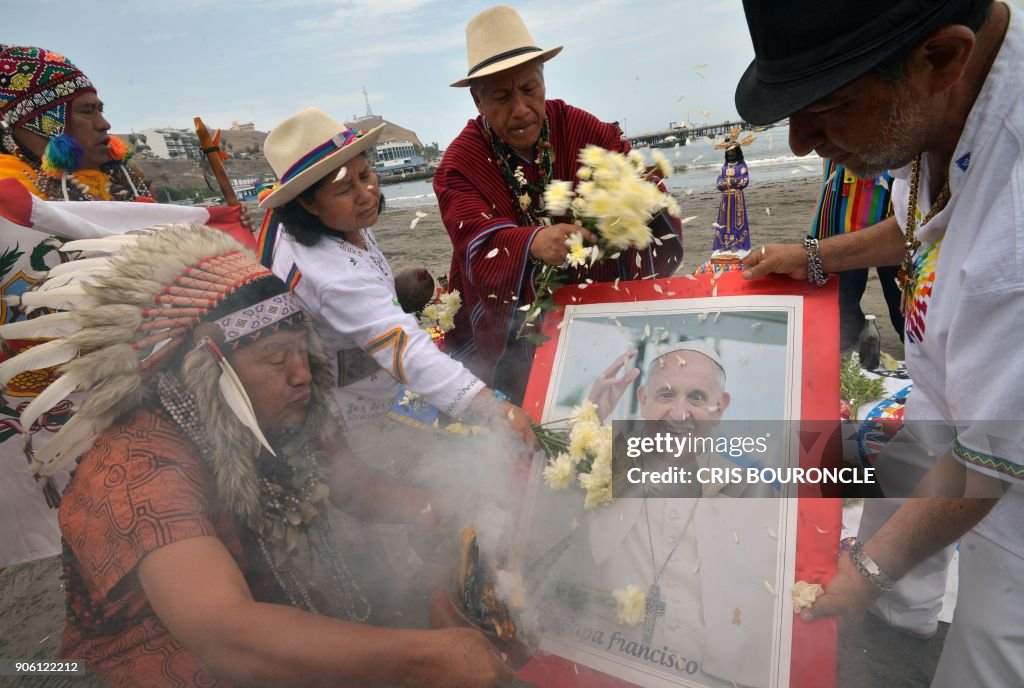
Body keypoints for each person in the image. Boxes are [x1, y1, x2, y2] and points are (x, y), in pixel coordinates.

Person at [2, 223, 513, 687]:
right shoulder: (134, 470)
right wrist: (424, 658)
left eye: (303, 351)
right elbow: (228, 635)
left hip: (279, 615)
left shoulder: (284, 407)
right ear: (205, 371)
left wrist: (424, 508)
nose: (302, 375)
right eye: (275, 358)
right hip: (158, 661)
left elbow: (349, 479)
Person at [736, 1, 1023, 685]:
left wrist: (865, 575)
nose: (801, 141)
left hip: (1004, 448)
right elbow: (922, 225)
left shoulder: (1015, 230)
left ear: (941, 59)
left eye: (827, 105)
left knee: (991, 643)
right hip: (956, 393)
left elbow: (986, 463)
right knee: (901, 476)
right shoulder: (937, 106)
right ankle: (904, 626)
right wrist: (812, 256)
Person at [434, 6, 684, 403]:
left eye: (529, 90)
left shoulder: (578, 126)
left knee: (600, 400)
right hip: (514, 331)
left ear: (544, 81)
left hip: (593, 307)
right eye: (501, 96)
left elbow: (638, 177)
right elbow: (472, 235)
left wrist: (638, 202)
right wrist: (530, 243)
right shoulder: (459, 164)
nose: (520, 108)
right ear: (477, 100)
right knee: (523, 410)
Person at [258, 107, 535, 450]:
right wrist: (493, 410)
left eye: (365, 174)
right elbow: (403, 346)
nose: (366, 193)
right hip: (352, 416)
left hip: (380, 383)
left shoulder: (340, 223)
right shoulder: (332, 276)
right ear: (309, 204)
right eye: (345, 188)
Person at [539, 342, 779, 687]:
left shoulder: (748, 488)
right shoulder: (604, 460)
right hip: (600, 664)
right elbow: (540, 508)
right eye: (666, 395)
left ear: (719, 408)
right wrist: (588, 420)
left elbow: (760, 610)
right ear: (643, 399)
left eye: (696, 398)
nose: (679, 414)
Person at [0, 44, 155, 571]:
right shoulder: (11, 208)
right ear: (36, 119)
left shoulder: (101, 192)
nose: (104, 123)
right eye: (86, 111)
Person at [810, 158, 904, 350]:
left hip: (892, 203)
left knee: (900, 291)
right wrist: (818, 218)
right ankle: (852, 328)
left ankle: (914, 340)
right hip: (842, 208)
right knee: (843, 296)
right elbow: (828, 175)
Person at [712, 144, 752, 259]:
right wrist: (730, 181)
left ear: (737, 152)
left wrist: (731, 181)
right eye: (728, 152)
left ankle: (738, 244)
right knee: (723, 221)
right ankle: (722, 244)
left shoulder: (742, 166)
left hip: (737, 198)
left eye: (733, 152)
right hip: (725, 198)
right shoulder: (723, 168)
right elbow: (718, 183)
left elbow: (744, 181)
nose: (730, 154)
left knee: (737, 221)